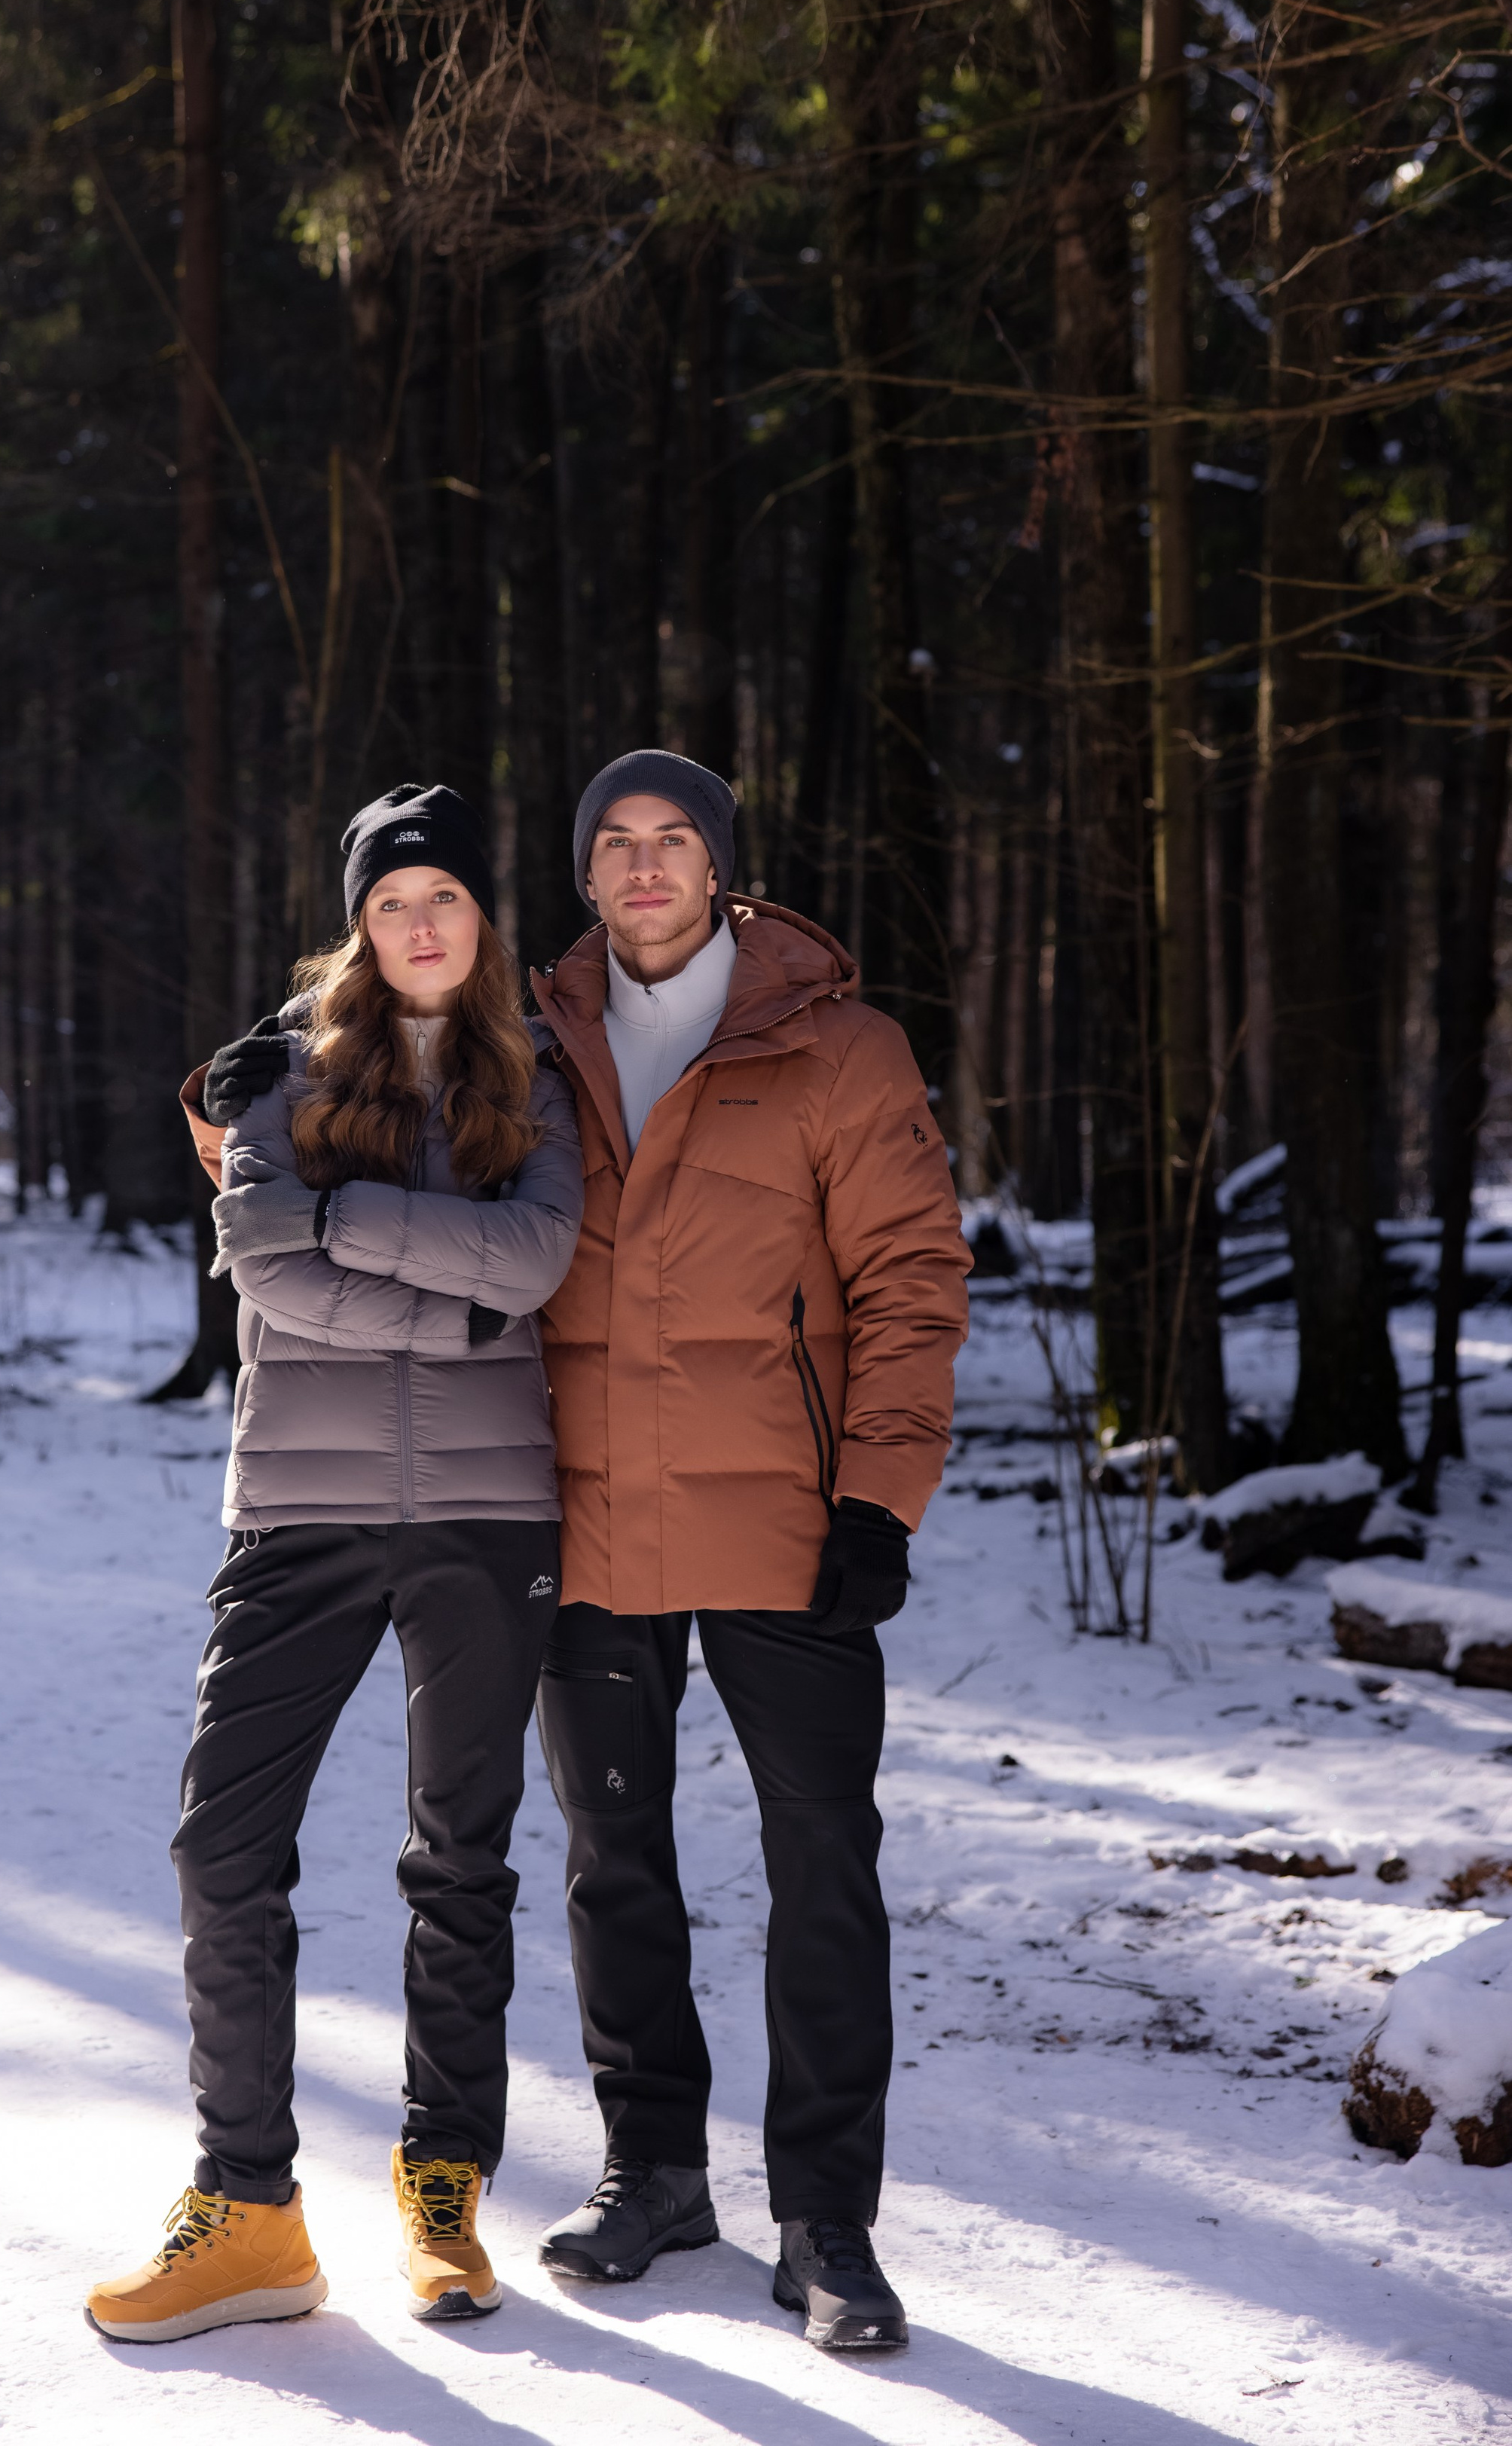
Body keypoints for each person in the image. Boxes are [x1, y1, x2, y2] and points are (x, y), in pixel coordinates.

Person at [84, 783, 582, 2344]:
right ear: (359, 925)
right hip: (296, 1511)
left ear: (479, 920)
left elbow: (539, 1260)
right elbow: (270, 1276)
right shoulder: (274, 1071)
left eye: (443, 897)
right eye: (389, 903)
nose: (419, 925)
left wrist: (344, 1209)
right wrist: (454, 1297)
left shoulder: (543, 1071)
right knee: (220, 1842)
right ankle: (247, 2207)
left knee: (461, 1856)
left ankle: (444, 2191)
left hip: (490, 1518)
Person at [524, 752, 970, 2355]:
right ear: (585, 875)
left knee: (819, 1863)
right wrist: (225, 1122)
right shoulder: (530, 1042)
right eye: (615, 844)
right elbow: (363, 1149)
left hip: (788, 1519)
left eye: (674, 839)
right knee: (609, 1855)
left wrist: (878, 1495)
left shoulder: (835, 1047)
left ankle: (824, 2213)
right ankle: (650, 2169)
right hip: (577, 1515)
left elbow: (913, 1275)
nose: (644, 866)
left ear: (719, 867)